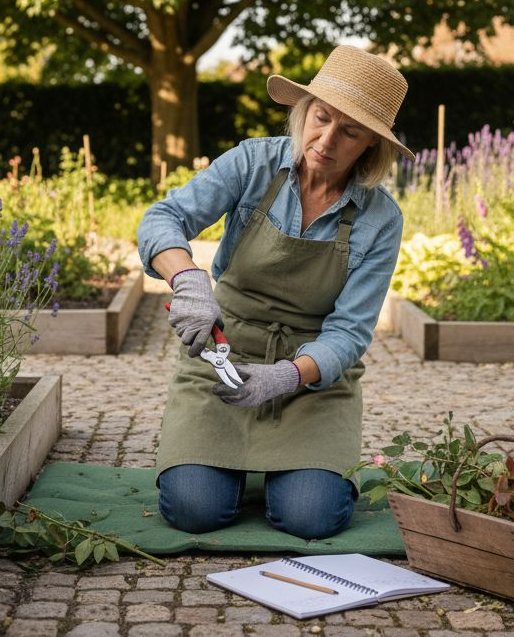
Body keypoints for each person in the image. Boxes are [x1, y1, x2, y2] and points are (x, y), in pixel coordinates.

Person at [137, 45, 415, 540]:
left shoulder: (380, 218)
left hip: (310, 380)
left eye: (349, 132)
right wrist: (189, 280)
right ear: (304, 110)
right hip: (225, 355)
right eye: (321, 117)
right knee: (193, 510)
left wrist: (287, 376)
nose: (326, 140)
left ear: (371, 144)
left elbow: (350, 332)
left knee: (311, 518)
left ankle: (292, 470)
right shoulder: (254, 163)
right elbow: (164, 218)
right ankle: (227, 468)